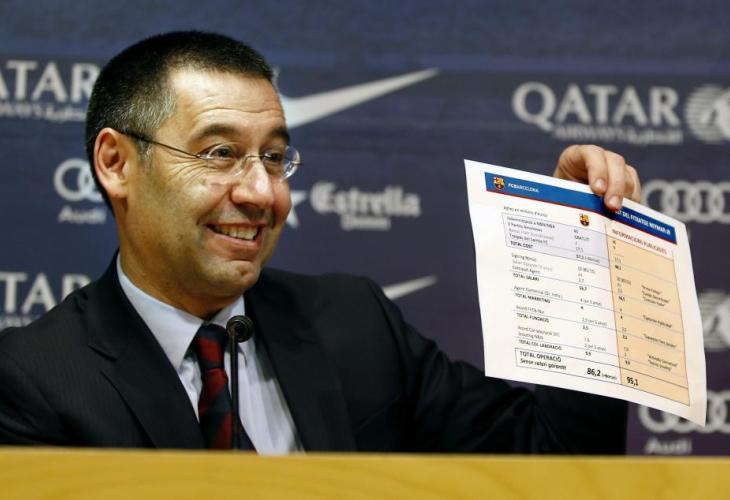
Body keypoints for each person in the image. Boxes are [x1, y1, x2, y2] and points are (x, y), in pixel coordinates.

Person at [0, 31, 639, 453]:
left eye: (275, 158)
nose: (262, 192)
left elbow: (555, 463)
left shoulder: (354, 323)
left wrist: (575, 252)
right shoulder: (33, 379)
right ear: (116, 164)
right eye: (220, 153)